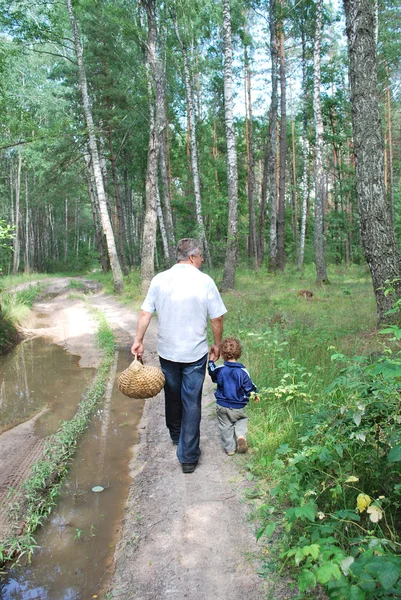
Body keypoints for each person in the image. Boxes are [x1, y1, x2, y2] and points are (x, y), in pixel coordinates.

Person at [131, 238, 227, 474]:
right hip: (194, 353)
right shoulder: (204, 281)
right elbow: (216, 319)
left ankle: (176, 435)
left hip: (168, 351)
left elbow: (145, 313)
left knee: (172, 394)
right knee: (191, 400)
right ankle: (188, 456)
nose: (202, 260)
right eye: (201, 256)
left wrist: (138, 341)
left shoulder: (160, 279)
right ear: (192, 257)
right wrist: (217, 345)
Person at [208, 338, 258, 456]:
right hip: (238, 406)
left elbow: (212, 373)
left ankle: (230, 449)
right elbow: (249, 387)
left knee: (225, 427)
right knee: (242, 419)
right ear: (239, 354)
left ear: (222, 355)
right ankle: (240, 436)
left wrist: (211, 361)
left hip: (222, 406)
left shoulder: (220, 369)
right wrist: (254, 394)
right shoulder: (242, 371)